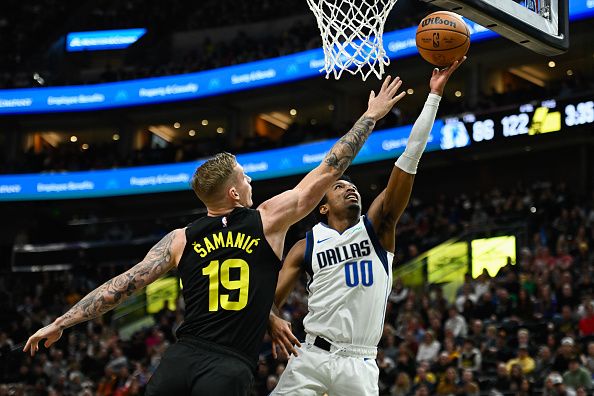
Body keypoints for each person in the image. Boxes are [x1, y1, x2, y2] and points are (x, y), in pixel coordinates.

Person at [22, 75, 407, 395]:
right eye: (244, 175)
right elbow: (330, 167)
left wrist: (61, 322)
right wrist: (370, 117)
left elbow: (122, 285)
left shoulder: (180, 239)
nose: (251, 177)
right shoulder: (267, 219)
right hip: (228, 366)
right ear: (235, 193)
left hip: (181, 357)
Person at [268, 58, 465, 395]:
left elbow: (409, 159)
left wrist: (433, 97)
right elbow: (268, 299)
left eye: (353, 185)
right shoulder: (306, 245)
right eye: (339, 185)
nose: (350, 187)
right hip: (311, 355)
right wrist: (271, 320)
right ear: (323, 205)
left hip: (359, 363)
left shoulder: (377, 227)